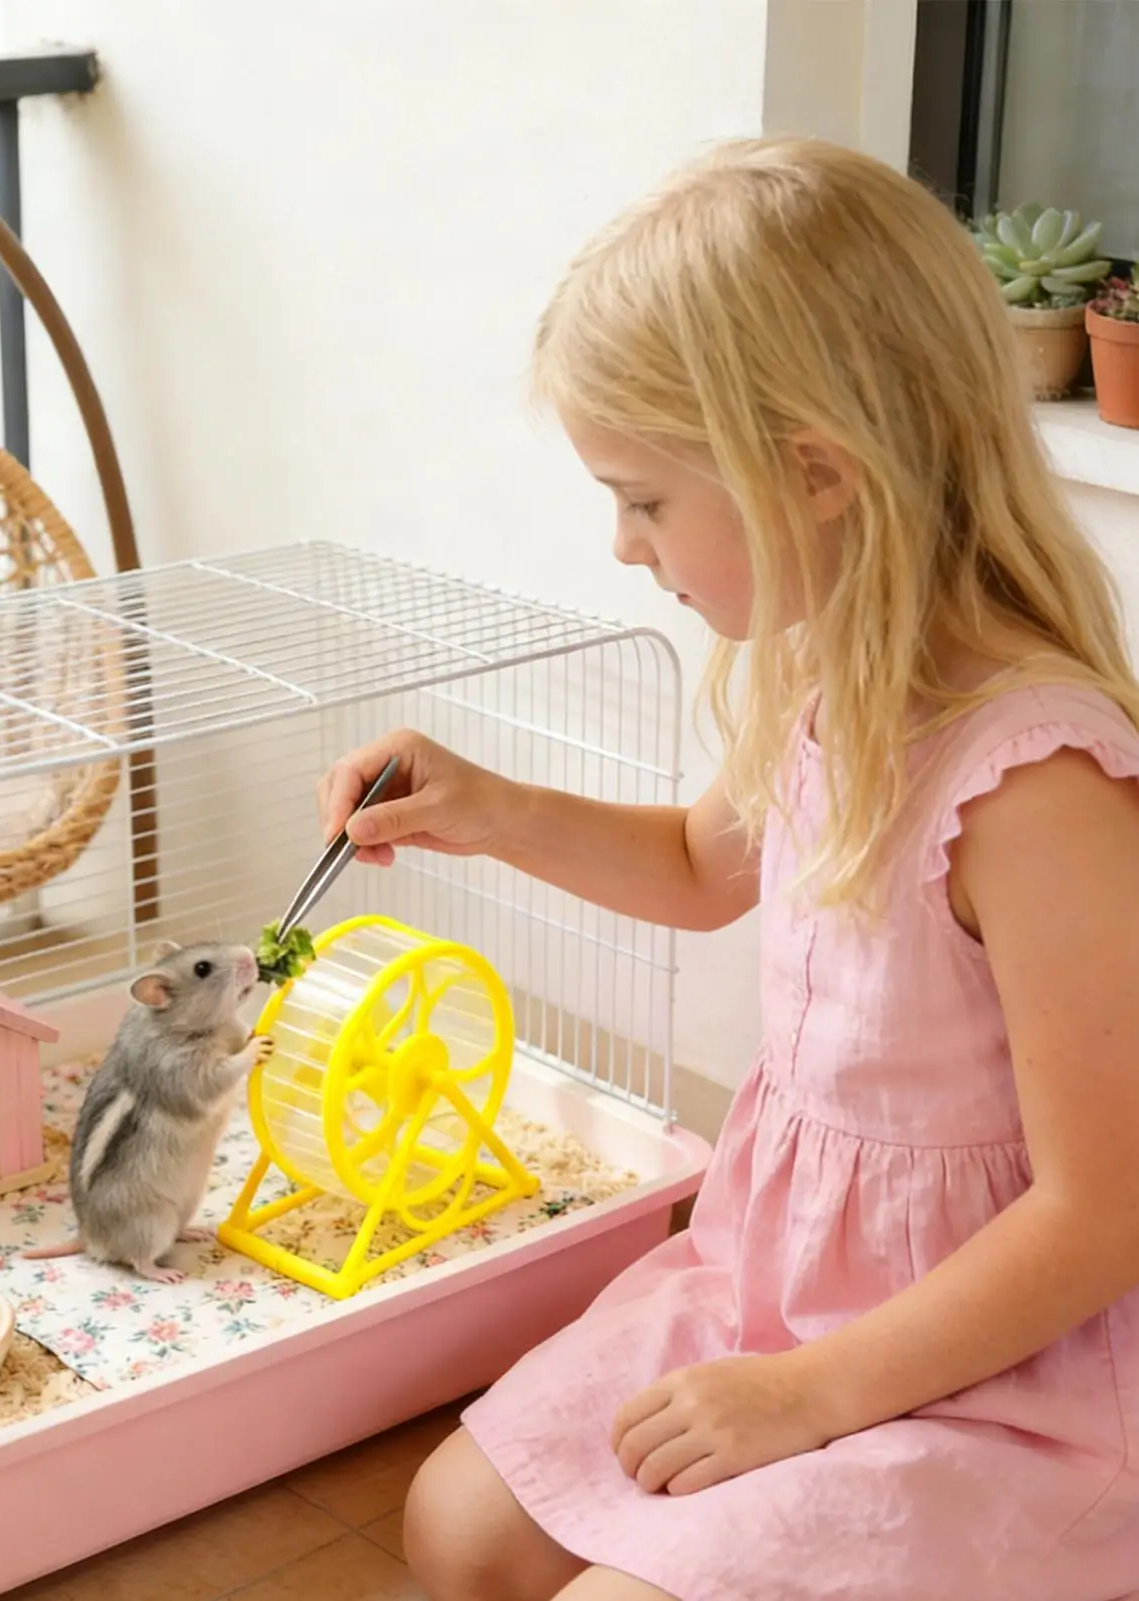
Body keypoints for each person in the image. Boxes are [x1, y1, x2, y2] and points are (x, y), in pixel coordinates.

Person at [317, 137, 1139, 1601]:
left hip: (998, 1361)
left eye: (643, 500)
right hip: (784, 1285)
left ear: (813, 475)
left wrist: (811, 1396)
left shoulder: (1037, 785)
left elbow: (1105, 1211)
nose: (624, 546)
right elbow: (703, 867)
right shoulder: (836, 678)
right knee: (461, 1530)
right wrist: (491, 807)